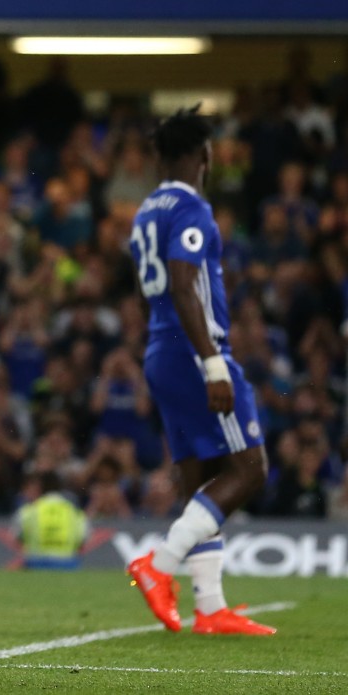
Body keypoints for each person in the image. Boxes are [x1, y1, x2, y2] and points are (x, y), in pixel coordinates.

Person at [125, 106, 276, 636]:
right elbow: (185, 283)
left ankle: (209, 606)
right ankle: (159, 566)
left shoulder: (146, 210)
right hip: (196, 351)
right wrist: (213, 362)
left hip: (161, 349)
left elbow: (153, 293)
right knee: (249, 469)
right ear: (202, 155)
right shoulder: (193, 209)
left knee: (198, 475)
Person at [14, 471, 86, 569]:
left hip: (37, 564)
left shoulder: (29, 510)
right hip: (67, 564)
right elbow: (83, 537)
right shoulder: (73, 511)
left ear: (40, 488)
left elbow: (17, 536)